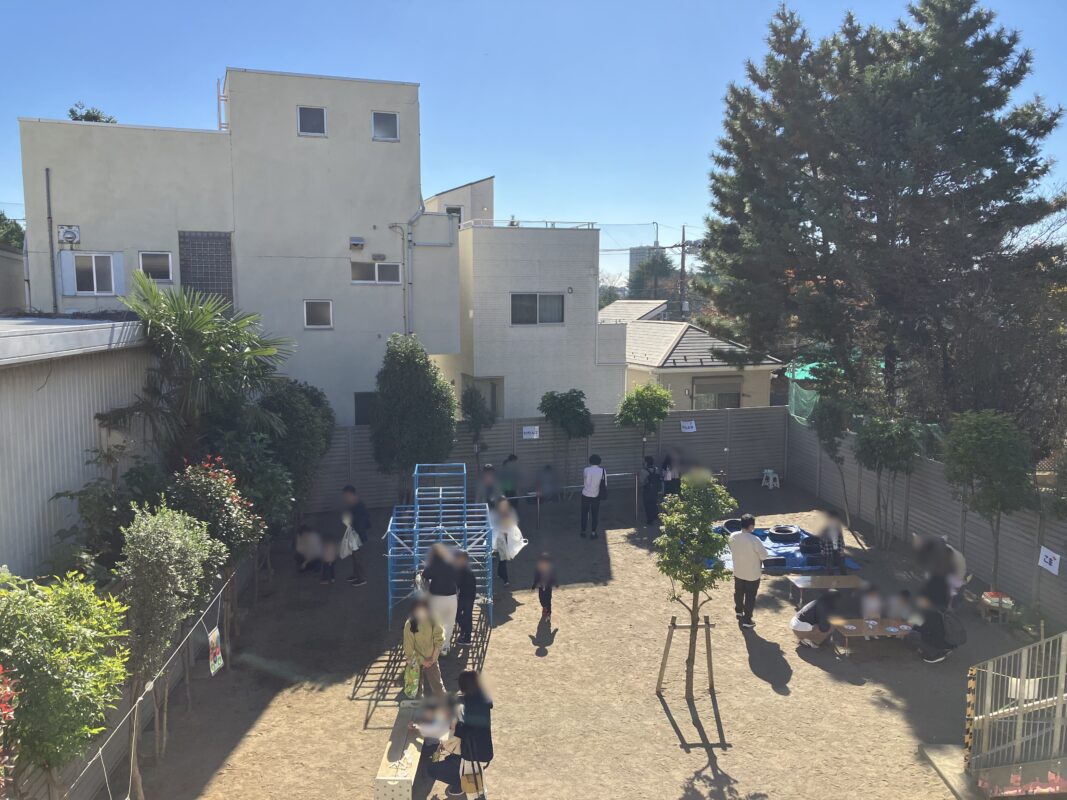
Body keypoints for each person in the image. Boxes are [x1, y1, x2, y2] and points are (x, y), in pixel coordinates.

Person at [426, 670, 494, 797]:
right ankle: (466, 782)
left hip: (472, 754)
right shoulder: (481, 699)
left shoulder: (469, 706)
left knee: (472, 790)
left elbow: (469, 731)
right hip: (484, 750)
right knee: (474, 783)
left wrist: (455, 726)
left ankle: (462, 785)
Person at [728, 514, 768, 628]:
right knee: (750, 597)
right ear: (751, 526)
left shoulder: (733, 536)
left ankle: (738, 611)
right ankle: (747, 620)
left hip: (738, 571)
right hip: (752, 574)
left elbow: (731, 548)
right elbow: (764, 556)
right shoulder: (754, 540)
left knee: (738, 592)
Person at [422, 543, 460, 655]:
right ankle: (445, 647)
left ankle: (436, 647)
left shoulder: (433, 564)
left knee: (436, 624)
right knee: (449, 623)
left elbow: (425, 575)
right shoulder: (452, 563)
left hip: (436, 598)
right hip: (451, 597)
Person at [403, 597, 445, 696]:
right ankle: (417, 702)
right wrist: (422, 661)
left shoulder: (434, 619)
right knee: (415, 689)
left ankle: (442, 702)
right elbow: (409, 649)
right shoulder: (409, 624)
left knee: (438, 686)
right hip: (415, 660)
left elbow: (439, 639)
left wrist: (433, 659)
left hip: (431, 658)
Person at [908, 592, 952, 664]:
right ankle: (945, 648)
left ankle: (933, 653)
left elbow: (922, 631)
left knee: (912, 634)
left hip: (938, 644)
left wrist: (912, 626)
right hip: (949, 640)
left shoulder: (928, 614)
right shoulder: (942, 610)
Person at [490, 498, 524, 587]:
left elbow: (513, 525)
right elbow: (496, 527)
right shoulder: (495, 515)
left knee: (503, 559)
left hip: (507, 539)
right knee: (503, 559)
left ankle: (499, 573)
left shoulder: (509, 513)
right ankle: (505, 579)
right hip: (500, 539)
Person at [340, 485, 370, 587]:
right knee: (354, 556)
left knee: (357, 557)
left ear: (350, 494)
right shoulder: (353, 504)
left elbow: (361, 521)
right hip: (354, 534)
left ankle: (361, 578)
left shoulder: (358, 505)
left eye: (346, 495)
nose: (345, 497)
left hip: (357, 535)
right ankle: (356, 575)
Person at [455, 550, 477, 647]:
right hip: (468, 596)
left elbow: (458, 583)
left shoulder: (462, 569)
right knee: (465, 615)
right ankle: (466, 632)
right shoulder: (466, 568)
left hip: (466, 596)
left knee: (461, 615)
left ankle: (466, 635)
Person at [580, 454, 606, 539]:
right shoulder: (602, 471)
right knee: (595, 515)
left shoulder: (586, 469)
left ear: (590, 461)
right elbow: (605, 484)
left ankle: (583, 531)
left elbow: (586, 482)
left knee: (584, 513)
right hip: (596, 495)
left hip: (585, 494)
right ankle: (593, 533)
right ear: (599, 462)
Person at [819, 510, 846, 575]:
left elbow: (841, 540)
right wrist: (822, 549)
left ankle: (843, 573)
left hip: (838, 549)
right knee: (829, 562)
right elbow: (821, 540)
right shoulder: (825, 530)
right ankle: (830, 574)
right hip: (828, 549)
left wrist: (842, 549)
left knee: (841, 561)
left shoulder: (838, 529)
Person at [531, 552, 558, 620]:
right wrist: (533, 586)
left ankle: (548, 613)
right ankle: (544, 607)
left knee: (548, 600)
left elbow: (553, 577)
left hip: (548, 587)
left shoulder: (550, 569)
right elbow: (536, 578)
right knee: (541, 599)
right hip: (541, 587)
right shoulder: (538, 569)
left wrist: (556, 584)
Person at [641, 455, 663, 527]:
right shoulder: (656, 469)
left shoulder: (643, 471)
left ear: (646, 462)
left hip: (647, 490)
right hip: (655, 489)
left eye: (644, 461)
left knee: (647, 504)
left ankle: (650, 520)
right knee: (654, 502)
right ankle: (656, 515)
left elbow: (642, 481)